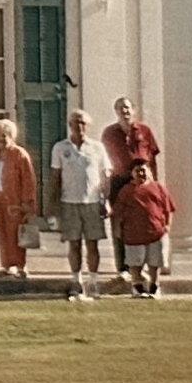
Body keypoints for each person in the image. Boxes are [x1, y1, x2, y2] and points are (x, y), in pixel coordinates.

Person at [51, 108, 115, 302]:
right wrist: (53, 204)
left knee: (92, 243)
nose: (79, 127)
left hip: (92, 202)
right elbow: (56, 177)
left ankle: (93, 281)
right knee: (74, 243)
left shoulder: (97, 148)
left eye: (83, 123)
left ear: (88, 126)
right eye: (75, 123)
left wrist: (107, 200)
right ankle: (76, 281)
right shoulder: (61, 148)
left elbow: (105, 176)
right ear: (70, 125)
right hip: (69, 201)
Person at [113, 157, 177, 299]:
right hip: (133, 234)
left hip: (156, 232)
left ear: (148, 171)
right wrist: (118, 229)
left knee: (155, 262)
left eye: (143, 170)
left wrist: (167, 226)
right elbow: (118, 213)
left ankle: (154, 286)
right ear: (132, 173)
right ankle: (137, 287)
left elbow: (169, 209)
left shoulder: (158, 187)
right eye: (137, 171)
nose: (141, 174)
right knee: (135, 263)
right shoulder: (126, 191)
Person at [0, 116, 39, 279]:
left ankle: (20, 266)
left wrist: (28, 202)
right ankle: (6, 265)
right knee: (1, 232)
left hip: (15, 200)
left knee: (15, 233)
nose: (1, 139)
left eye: (4, 135)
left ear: (12, 136)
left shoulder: (20, 154)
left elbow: (28, 180)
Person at [104, 96, 162, 184]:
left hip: (142, 178)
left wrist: (155, 180)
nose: (124, 111)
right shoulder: (109, 133)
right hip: (120, 179)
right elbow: (103, 158)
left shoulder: (144, 130)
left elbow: (152, 158)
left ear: (133, 110)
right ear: (116, 111)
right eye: (120, 108)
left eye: (126, 107)